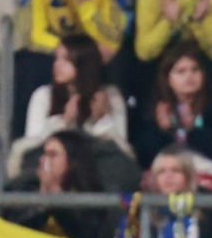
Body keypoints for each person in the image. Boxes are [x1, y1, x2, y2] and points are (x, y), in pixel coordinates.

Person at [10, 35, 133, 179]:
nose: (58, 65)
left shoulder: (110, 96)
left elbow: (121, 150)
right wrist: (64, 123)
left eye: (66, 60)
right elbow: (32, 146)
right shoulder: (44, 95)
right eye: (57, 58)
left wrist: (100, 120)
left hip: (96, 171)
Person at [133, 40, 212, 180]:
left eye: (195, 69)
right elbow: (144, 158)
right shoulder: (156, 107)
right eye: (180, 71)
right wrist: (161, 130)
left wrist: (192, 131)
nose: (189, 77)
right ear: (167, 78)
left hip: (211, 172)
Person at [7, 131, 120, 238]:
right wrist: (42, 199)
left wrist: (57, 196)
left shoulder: (93, 199)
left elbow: (90, 237)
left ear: (72, 162)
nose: (44, 161)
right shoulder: (25, 187)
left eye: (52, 155)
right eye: (44, 154)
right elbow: (15, 230)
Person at [147, 148, 212, 238]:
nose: (168, 176)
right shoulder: (147, 209)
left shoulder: (211, 207)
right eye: (161, 171)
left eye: (175, 170)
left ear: (188, 175)